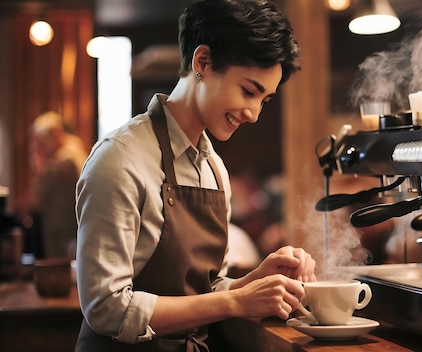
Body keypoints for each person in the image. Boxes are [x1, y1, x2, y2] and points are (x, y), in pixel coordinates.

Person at [74, 1, 316, 351]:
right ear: (202, 63)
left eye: (264, 100)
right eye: (248, 91)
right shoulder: (120, 159)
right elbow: (106, 309)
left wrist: (253, 282)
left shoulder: (215, 169)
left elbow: (206, 290)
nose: (253, 115)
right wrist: (236, 301)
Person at [29, 111, 87, 259]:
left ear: (56, 134)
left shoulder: (61, 163)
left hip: (61, 234)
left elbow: (36, 199)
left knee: (59, 276)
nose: (39, 147)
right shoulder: (75, 152)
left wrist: (40, 164)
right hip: (71, 230)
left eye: (41, 142)